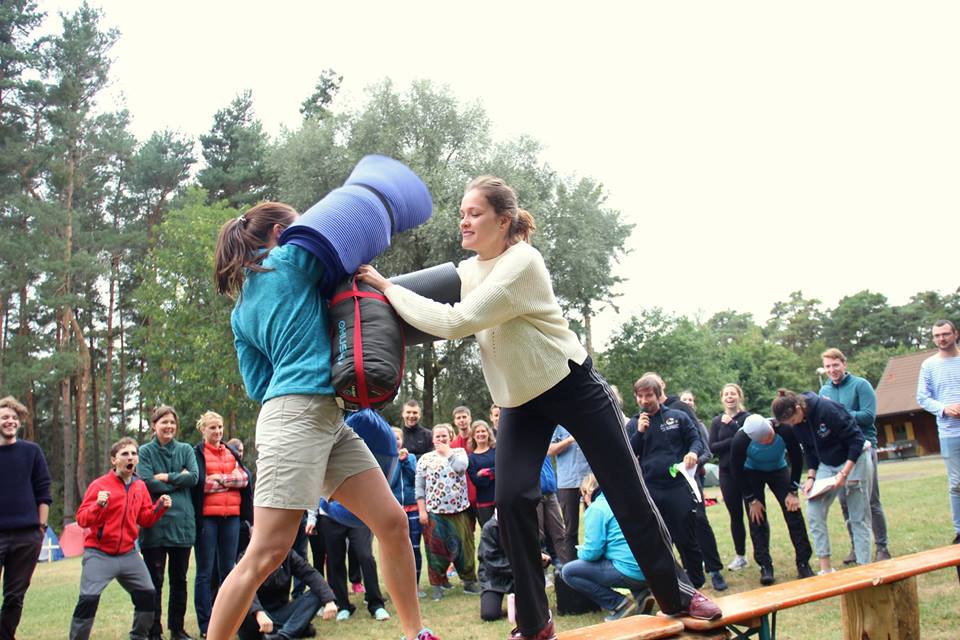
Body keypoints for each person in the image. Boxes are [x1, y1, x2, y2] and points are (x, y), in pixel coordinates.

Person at [358, 176, 719, 640]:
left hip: (571, 383)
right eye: (462, 213)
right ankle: (534, 621)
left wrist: (385, 284)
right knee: (510, 502)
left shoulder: (523, 262)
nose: (464, 220)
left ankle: (677, 594)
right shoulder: (468, 271)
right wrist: (363, 290)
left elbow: (455, 321)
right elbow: (415, 306)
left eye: (474, 213)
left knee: (625, 488)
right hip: (519, 403)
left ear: (503, 220)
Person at [209, 202, 437, 640]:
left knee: (390, 522)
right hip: (296, 419)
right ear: (280, 232)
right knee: (267, 552)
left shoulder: (241, 312)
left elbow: (258, 384)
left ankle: (415, 634)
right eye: (298, 227)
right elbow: (341, 246)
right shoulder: (291, 258)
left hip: (321, 417)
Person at [69, 438, 172, 640]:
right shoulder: (99, 485)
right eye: (125, 454)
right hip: (99, 554)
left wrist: (160, 507)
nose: (130, 458)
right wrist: (98, 505)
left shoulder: (140, 486)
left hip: (128, 554)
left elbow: (145, 519)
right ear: (114, 460)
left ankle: (138, 636)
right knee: (88, 599)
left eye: (134, 454)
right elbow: (82, 519)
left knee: (148, 595)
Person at [771, 389, 871, 574]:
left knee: (857, 516)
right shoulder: (798, 424)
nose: (794, 424)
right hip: (827, 464)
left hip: (854, 459)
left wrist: (844, 473)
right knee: (814, 510)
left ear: (798, 407)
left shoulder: (827, 409)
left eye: (794, 420)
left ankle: (864, 568)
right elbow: (809, 450)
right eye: (790, 424)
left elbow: (856, 440)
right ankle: (826, 568)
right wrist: (811, 477)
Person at [648, 374, 726, 592]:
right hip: (659, 485)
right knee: (666, 531)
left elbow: (701, 444)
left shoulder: (681, 408)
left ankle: (714, 571)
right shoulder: (644, 417)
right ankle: (678, 578)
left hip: (687, 478)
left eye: (653, 387)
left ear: (661, 385)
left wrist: (692, 461)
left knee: (699, 521)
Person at [628, 375, 707, 589]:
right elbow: (629, 453)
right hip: (651, 488)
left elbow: (696, 440)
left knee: (685, 536)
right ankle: (671, 584)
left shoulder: (678, 416)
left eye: (649, 395)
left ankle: (697, 582)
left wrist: (692, 453)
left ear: (657, 395)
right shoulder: (634, 424)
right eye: (640, 396)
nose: (645, 400)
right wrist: (640, 432)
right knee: (659, 541)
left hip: (678, 486)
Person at [819, 347, 891, 563]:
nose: (832, 370)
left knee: (871, 500)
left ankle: (882, 547)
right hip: (839, 454)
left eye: (835, 365)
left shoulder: (861, 385)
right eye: (828, 366)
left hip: (864, 449)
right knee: (845, 501)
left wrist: (838, 412)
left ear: (844, 364)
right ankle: (856, 546)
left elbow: (868, 417)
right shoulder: (824, 392)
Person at [728, 416, 814, 584]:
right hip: (751, 473)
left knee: (793, 512)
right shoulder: (740, 439)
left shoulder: (784, 429)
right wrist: (751, 499)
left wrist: (793, 491)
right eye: (763, 440)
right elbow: (735, 470)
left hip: (779, 470)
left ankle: (803, 562)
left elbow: (797, 459)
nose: (768, 441)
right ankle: (765, 566)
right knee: (757, 518)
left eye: (770, 436)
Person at [137, 405, 198, 640]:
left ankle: (177, 629)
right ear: (154, 425)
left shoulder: (185, 450)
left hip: (182, 525)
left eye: (172, 422)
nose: (169, 426)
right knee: (155, 581)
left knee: (179, 580)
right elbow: (146, 482)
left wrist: (165, 477)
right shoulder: (144, 451)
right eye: (164, 422)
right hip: (155, 525)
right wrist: (177, 480)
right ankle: (154, 631)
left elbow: (193, 477)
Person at [560, 474, 653, 622]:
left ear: (588, 491)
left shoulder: (597, 508)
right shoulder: (625, 500)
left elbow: (592, 553)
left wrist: (580, 551)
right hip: (650, 570)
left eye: (582, 495)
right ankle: (642, 593)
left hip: (628, 571)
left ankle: (618, 604)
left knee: (568, 572)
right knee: (625, 554)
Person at [191, 411, 251, 637]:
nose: (217, 432)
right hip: (207, 518)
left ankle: (229, 622)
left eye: (220, 427)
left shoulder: (231, 452)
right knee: (205, 573)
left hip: (232, 518)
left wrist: (221, 479)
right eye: (212, 428)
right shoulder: (197, 453)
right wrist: (229, 481)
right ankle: (206, 626)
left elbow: (244, 479)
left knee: (229, 571)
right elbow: (200, 484)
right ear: (203, 429)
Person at [0, 396, 51, 640]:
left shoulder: (32, 451)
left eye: (13, 418)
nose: (9, 421)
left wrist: (41, 528)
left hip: (26, 536)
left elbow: (43, 491)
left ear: (19, 422)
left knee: (14, 596)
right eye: (4, 417)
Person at [415, 424, 481, 600]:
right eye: (438, 436)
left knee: (465, 549)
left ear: (450, 437)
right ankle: (437, 585)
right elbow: (419, 487)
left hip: (460, 511)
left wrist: (447, 452)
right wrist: (422, 511)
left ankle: (469, 583)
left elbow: (461, 467)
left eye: (444, 436)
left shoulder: (459, 453)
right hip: (435, 513)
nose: (441, 439)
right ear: (433, 438)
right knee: (435, 550)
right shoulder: (425, 459)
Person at [917, 319, 960, 545]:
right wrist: (944, 408)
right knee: (956, 483)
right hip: (949, 432)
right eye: (937, 335)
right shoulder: (929, 365)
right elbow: (922, 397)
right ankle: (959, 531)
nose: (941, 339)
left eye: (945, 334)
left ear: (955, 334)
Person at [236, 548, 338, 640]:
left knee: (316, 594)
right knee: (243, 609)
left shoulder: (288, 555)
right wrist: (258, 612)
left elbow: (310, 574)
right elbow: (246, 589)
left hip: (282, 612)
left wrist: (329, 600)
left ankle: (282, 636)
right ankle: (295, 628)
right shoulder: (246, 558)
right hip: (257, 618)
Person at [709, 384, 753, 573]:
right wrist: (734, 438)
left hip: (748, 470)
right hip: (727, 472)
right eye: (726, 394)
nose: (729, 397)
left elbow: (751, 438)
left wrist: (733, 427)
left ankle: (762, 556)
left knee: (755, 514)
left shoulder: (748, 418)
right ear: (722, 398)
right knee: (735, 516)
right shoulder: (717, 421)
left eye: (733, 393)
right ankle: (740, 556)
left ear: (739, 397)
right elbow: (712, 447)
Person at [548, 425, 591, 568]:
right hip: (568, 480)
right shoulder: (556, 425)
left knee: (594, 523)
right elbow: (550, 450)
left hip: (590, 479)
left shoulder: (586, 416)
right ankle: (571, 569)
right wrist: (570, 439)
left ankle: (594, 565)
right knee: (570, 528)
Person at [389, 427, 424, 594]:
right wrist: (397, 462)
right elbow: (391, 483)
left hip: (413, 509)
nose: (396, 441)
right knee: (396, 551)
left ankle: (415, 585)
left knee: (414, 548)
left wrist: (405, 462)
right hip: (395, 510)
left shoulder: (410, 457)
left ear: (402, 440)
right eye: (392, 438)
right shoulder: (386, 459)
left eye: (398, 438)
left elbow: (414, 478)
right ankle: (399, 587)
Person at [467, 421, 497, 526]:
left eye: (483, 431)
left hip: (501, 498)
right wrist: (494, 473)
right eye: (477, 432)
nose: (481, 434)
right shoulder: (471, 458)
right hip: (484, 502)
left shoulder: (496, 451)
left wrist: (485, 472)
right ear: (473, 436)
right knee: (489, 534)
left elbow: (504, 470)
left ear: (488, 433)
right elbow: (477, 481)